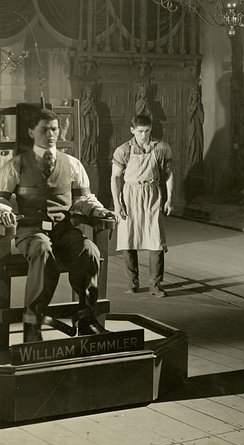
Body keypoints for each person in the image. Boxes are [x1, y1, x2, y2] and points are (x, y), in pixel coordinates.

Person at [0, 109, 115, 342]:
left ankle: (85, 318)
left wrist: (98, 210)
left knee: (89, 251)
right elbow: (1, 199)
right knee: (43, 251)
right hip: (31, 231)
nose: (50, 134)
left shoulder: (72, 163)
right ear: (31, 132)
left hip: (62, 230)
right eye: (44, 129)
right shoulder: (15, 165)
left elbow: (84, 199)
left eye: (54, 129)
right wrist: (4, 212)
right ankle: (33, 325)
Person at [110, 115, 174, 297]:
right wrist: (117, 204)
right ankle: (133, 282)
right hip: (130, 195)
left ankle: (155, 284)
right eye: (140, 132)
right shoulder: (123, 150)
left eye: (147, 131)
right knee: (128, 239)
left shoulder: (161, 148)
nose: (143, 135)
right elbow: (115, 177)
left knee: (156, 240)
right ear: (132, 130)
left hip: (152, 194)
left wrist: (169, 199)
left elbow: (169, 174)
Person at [80, 84, 99, 166]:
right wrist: (89, 106)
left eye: (90, 93)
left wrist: (92, 107)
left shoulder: (93, 103)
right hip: (86, 123)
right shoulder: (84, 103)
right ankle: (85, 157)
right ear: (85, 93)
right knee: (87, 137)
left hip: (93, 123)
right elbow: (83, 113)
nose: (89, 94)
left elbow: (96, 115)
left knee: (93, 141)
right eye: (88, 93)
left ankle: (91, 158)